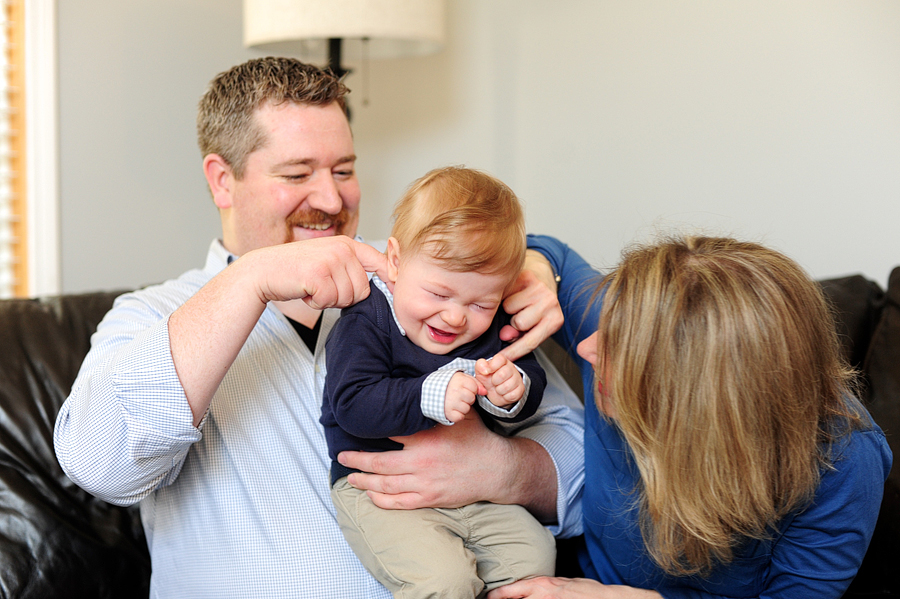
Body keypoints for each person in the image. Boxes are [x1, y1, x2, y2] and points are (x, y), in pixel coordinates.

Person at [52, 57, 585, 598]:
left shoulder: (429, 285)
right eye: (297, 174)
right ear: (222, 181)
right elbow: (99, 465)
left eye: (345, 170)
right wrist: (252, 279)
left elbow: (593, 461)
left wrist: (502, 469)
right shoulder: (154, 315)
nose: (332, 201)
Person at [489, 234, 892, 599]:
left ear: (691, 396)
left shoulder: (843, 458)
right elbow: (551, 253)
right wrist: (537, 271)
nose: (587, 349)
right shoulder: (629, 330)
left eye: (620, 347)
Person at [323, 166, 557, 598]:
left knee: (534, 557)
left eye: (481, 303)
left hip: (474, 490)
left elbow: (531, 381)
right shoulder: (366, 320)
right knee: (443, 580)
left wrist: (514, 390)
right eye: (438, 294)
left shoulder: (490, 324)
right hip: (382, 493)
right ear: (395, 262)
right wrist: (432, 394)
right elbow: (351, 403)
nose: (455, 316)